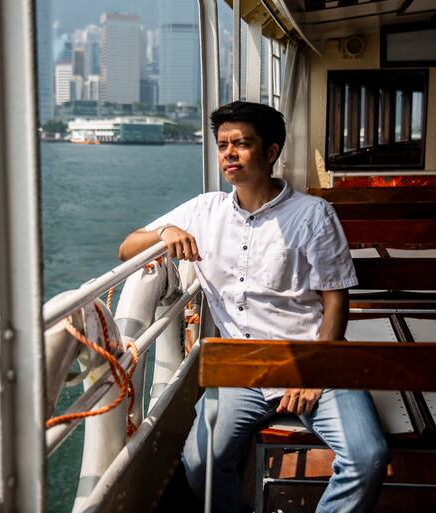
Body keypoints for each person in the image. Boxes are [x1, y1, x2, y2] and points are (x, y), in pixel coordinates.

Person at [118, 101, 388, 513]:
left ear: (271, 152)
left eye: (241, 144)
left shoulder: (313, 215)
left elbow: (336, 299)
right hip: (241, 368)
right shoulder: (203, 212)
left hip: (311, 359)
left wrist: (315, 371)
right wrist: (167, 232)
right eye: (223, 144)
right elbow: (127, 247)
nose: (229, 153)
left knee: (367, 456)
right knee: (199, 464)